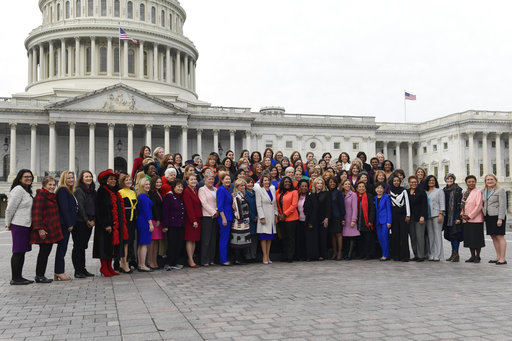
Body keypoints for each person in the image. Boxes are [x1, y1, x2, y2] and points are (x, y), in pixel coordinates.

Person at [93, 170, 128, 277]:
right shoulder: (102, 191)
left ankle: (109, 267)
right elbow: (101, 210)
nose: (113, 181)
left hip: (115, 224)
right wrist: (106, 224)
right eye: (110, 179)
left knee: (111, 247)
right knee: (104, 247)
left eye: (114, 179)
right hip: (105, 225)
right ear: (105, 181)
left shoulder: (115, 191)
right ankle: (104, 267)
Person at [30, 176, 63, 283]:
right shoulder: (41, 196)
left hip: (50, 228)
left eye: (54, 185)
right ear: (44, 185)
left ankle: (40, 275)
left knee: (45, 253)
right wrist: (40, 229)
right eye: (50, 185)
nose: (52, 187)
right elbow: (36, 213)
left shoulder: (51, 196)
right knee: (43, 253)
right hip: (44, 230)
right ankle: (39, 275)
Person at [5, 169, 34, 285]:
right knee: (18, 251)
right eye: (25, 176)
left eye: (30, 176)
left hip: (25, 224)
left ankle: (19, 276)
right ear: (20, 178)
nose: (28, 178)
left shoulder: (25, 190)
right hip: (19, 224)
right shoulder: (18, 190)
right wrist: (8, 224)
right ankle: (15, 278)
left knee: (21, 251)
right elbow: (10, 208)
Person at [55, 171, 78, 281]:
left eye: (72, 178)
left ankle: (57, 272)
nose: (71, 180)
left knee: (62, 248)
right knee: (62, 248)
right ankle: (60, 271)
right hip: (64, 224)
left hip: (66, 224)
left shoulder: (68, 190)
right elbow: (64, 209)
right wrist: (69, 224)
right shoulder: (63, 190)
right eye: (68, 178)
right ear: (64, 179)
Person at [73, 170, 96, 278]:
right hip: (80, 222)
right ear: (81, 179)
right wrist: (87, 220)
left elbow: (95, 206)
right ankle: (78, 270)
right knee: (78, 246)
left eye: (90, 176)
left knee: (83, 246)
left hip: (90, 221)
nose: (88, 178)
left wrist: (93, 220)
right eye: (86, 176)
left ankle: (83, 268)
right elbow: (80, 207)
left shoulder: (91, 191)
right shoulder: (79, 190)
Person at [304, 178, 331, 261]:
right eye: (318, 183)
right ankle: (315, 254)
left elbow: (328, 207)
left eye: (321, 183)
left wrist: (327, 218)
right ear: (315, 185)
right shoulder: (312, 195)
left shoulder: (326, 194)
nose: (320, 185)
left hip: (323, 219)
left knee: (322, 238)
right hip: (314, 219)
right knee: (314, 238)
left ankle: (322, 254)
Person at [459, 175, 485, 263]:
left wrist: (470, 216)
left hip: (476, 219)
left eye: (473, 181)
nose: (471, 183)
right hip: (466, 219)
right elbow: (463, 206)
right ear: (466, 183)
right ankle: (472, 256)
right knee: (469, 238)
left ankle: (478, 256)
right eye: (469, 182)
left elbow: (478, 206)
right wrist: (462, 215)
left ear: (475, 182)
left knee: (477, 238)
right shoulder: (465, 193)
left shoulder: (478, 192)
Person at [482, 174, 507, 264]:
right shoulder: (483, 191)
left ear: (495, 180)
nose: (489, 181)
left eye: (491, 179)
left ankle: (503, 258)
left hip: (497, 216)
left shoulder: (500, 190)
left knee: (500, 236)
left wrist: (500, 218)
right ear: (485, 181)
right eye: (487, 179)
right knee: (493, 237)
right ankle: (498, 256)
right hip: (488, 216)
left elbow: (503, 205)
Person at [162, 180, 185, 270]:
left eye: (181, 187)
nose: (180, 188)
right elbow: (165, 211)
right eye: (178, 186)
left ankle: (175, 262)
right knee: (172, 244)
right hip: (172, 224)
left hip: (180, 224)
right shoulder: (169, 196)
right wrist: (165, 225)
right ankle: (169, 263)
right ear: (174, 187)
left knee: (178, 244)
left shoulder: (180, 197)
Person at [256, 174, 278, 264]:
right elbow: (258, 205)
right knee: (263, 237)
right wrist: (261, 217)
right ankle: (264, 256)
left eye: (268, 180)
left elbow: (274, 204)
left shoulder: (272, 190)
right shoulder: (259, 190)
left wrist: (276, 215)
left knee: (269, 237)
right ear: (262, 181)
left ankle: (268, 255)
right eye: (265, 180)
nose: (267, 182)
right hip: (264, 216)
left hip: (271, 217)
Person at [276, 176, 299, 263]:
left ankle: (290, 256)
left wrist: (285, 214)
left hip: (291, 218)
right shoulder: (277, 192)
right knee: (283, 237)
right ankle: (284, 255)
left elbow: (294, 205)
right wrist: (279, 214)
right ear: (282, 183)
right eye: (285, 182)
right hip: (281, 218)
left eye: (289, 182)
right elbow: (276, 205)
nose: (287, 183)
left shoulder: (294, 192)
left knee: (290, 238)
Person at [118, 173, 137, 272]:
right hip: (125, 219)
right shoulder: (120, 192)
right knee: (125, 242)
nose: (129, 182)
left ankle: (125, 262)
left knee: (129, 242)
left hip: (132, 219)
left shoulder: (132, 192)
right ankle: (123, 263)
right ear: (122, 182)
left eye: (130, 180)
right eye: (126, 180)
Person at [389, 175, 411, 262]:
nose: (396, 182)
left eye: (398, 181)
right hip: (394, 216)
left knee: (404, 236)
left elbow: (407, 203)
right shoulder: (389, 191)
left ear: (400, 182)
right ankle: (396, 255)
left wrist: (408, 215)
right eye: (394, 181)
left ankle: (405, 256)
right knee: (395, 236)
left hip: (403, 216)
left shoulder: (404, 191)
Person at [198, 171, 218, 266]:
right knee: (206, 239)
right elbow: (204, 202)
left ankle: (211, 259)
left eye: (212, 179)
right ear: (205, 180)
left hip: (216, 216)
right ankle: (204, 260)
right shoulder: (202, 189)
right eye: (209, 179)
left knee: (213, 239)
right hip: (207, 216)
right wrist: (213, 212)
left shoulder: (215, 189)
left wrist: (217, 211)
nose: (211, 181)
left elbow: (218, 202)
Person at [183, 174, 202, 268]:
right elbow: (189, 207)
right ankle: (190, 259)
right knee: (190, 239)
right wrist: (193, 220)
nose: (193, 181)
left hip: (198, 217)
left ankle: (192, 258)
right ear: (187, 181)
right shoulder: (186, 191)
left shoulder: (195, 190)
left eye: (195, 179)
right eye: (191, 179)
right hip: (191, 219)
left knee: (194, 240)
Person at [231, 178, 251, 264]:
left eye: (244, 185)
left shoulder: (242, 195)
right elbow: (237, 210)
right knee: (237, 241)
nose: (243, 187)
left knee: (242, 241)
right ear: (237, 187)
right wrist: (240, 220)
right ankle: (237, 259)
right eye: (241, 185)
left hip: (245, 220)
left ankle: (240, 258)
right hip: (239, 221)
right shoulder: (236, 196)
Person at [443, 173, 463, 262]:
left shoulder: (458, 190)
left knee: (455, 235)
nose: (449, 180)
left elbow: (460, 204)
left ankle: (456, 254)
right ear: (445, 180)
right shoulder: (444, 190)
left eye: (451, 178)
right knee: (450, 235)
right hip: (447, 217)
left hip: (455, 216)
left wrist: (458, 217)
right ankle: (453, 254)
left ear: (453, 180)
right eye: (448, 179)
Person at [425, 175, 445, 261]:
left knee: (437, 235)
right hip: (428, 216)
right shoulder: (425, 191)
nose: (431, 182)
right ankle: (431, 254)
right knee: (430, 236)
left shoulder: (439, 191)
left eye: (433, 180)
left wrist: (441, 213)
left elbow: (442, 203)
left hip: (437, 215)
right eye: (429, 180)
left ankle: (438, 255)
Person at [407, 175, 428, 262]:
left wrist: (422, 216)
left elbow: (424, 205)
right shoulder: (406, 192)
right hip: (410, 218)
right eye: (412, 182)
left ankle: (421, 255)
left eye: (415, 182)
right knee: (413, 237)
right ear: (409, 183)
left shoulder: (421, 192)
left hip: (419, 217)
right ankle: (416, 254)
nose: (413, 184)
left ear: (417, 183)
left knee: (420, 237)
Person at [135, 178, 153, 272]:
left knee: (142, 244)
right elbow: (147, 211)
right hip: (144, 221)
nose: (148, 186)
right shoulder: (143, 196)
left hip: (142, 220)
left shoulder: (143, 196)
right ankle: (142, 264)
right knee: (144, 244)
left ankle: (140, 264)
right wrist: (150, 223)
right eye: (146, 184)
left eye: (148, 184)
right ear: (142, 186)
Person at [355, 180, 376, 260]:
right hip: (358, 221)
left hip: (367, 221)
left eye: (363, 187)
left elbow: (372, 209)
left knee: (368, 239)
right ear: (357, 188)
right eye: (359, 187)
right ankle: (362, 253)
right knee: (361, 239)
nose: (361, 188)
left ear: (365, 188)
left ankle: (368, 254)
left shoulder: (369, 196)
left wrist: (370, 220)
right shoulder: (355, 196)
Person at [217, 174, 234, 266]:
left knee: (226, 238)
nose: (228, 181)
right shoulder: (221, 190)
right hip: (225, 218)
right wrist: (223, 218)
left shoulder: (227, 190)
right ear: (222, 180)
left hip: (229, 217)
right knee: (224, 239)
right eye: (226, 179)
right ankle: (223, 259)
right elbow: (220, 206)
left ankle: (225, 257)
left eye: (229, 179)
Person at [327, 176, 345, 260]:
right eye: (330, 182)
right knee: (332, 235)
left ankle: (340, 252)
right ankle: (334, 252)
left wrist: (342, 218)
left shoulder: (338, 193)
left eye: (334, 182)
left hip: (337, 216)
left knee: (338, 234)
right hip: (329, 217)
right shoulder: (327, 192)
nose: (332, 183)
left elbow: (342, 206)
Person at [148, 176, 163, 269]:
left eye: (160, 182)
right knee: (152, 242)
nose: (159, 184)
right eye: (157, 182)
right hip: (154, 219)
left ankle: (154, 260)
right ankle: (150, 261)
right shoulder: (152, 193)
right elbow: (154, 207)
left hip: (159, 219)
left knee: (157, 242)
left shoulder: (159, 192)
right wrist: (157, 219)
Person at [341, 179, 358, 260]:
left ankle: (349, 255)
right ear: (343, 185)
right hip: (344, 218)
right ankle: (345, 253)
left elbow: (355, 208)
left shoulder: (353, 195)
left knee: (352, 237)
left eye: (348, 184)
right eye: (345, 184)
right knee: (346, 238)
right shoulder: (341, 194)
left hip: (351, 218)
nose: (347, 185)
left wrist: (353, 220)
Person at [374, 182, 392, 261]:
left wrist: (389, 221)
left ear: (384, 189)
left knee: (384, 237)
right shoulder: (374, 198)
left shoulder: (386, 197)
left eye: (381, 188)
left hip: (385, 221)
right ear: (375, 189)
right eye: (378, 188)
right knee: (380, 238)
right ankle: (385, 253)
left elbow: (389, 209)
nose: (379, 189)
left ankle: (385, 255)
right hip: (377, 221)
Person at [244, 177, 259, 262]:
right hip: (248, 218)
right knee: (248, 238)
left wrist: (257, 216)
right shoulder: (245, 194)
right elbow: (246, 207)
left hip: (257, 218)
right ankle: (248, 256)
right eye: (248, 183)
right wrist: (253, 217)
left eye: (251, 182)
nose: (250, 184)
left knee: (254, 238)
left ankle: (254, 255)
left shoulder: (255, 193)